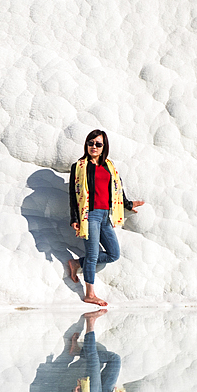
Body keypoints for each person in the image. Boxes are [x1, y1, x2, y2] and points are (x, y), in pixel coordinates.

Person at [67, 130, 145, 306]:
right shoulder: (79, 166)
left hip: (105, 215)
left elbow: (117, 189)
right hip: (90, 215)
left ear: (104, 147)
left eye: (98, 144)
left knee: (113, 253)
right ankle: (90, 294)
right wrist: (75, 218)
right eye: (90, 143)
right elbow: (73, 194)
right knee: (93, 254)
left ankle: (76, 263)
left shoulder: (109, 166)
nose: (94, 146)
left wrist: (128, 204)